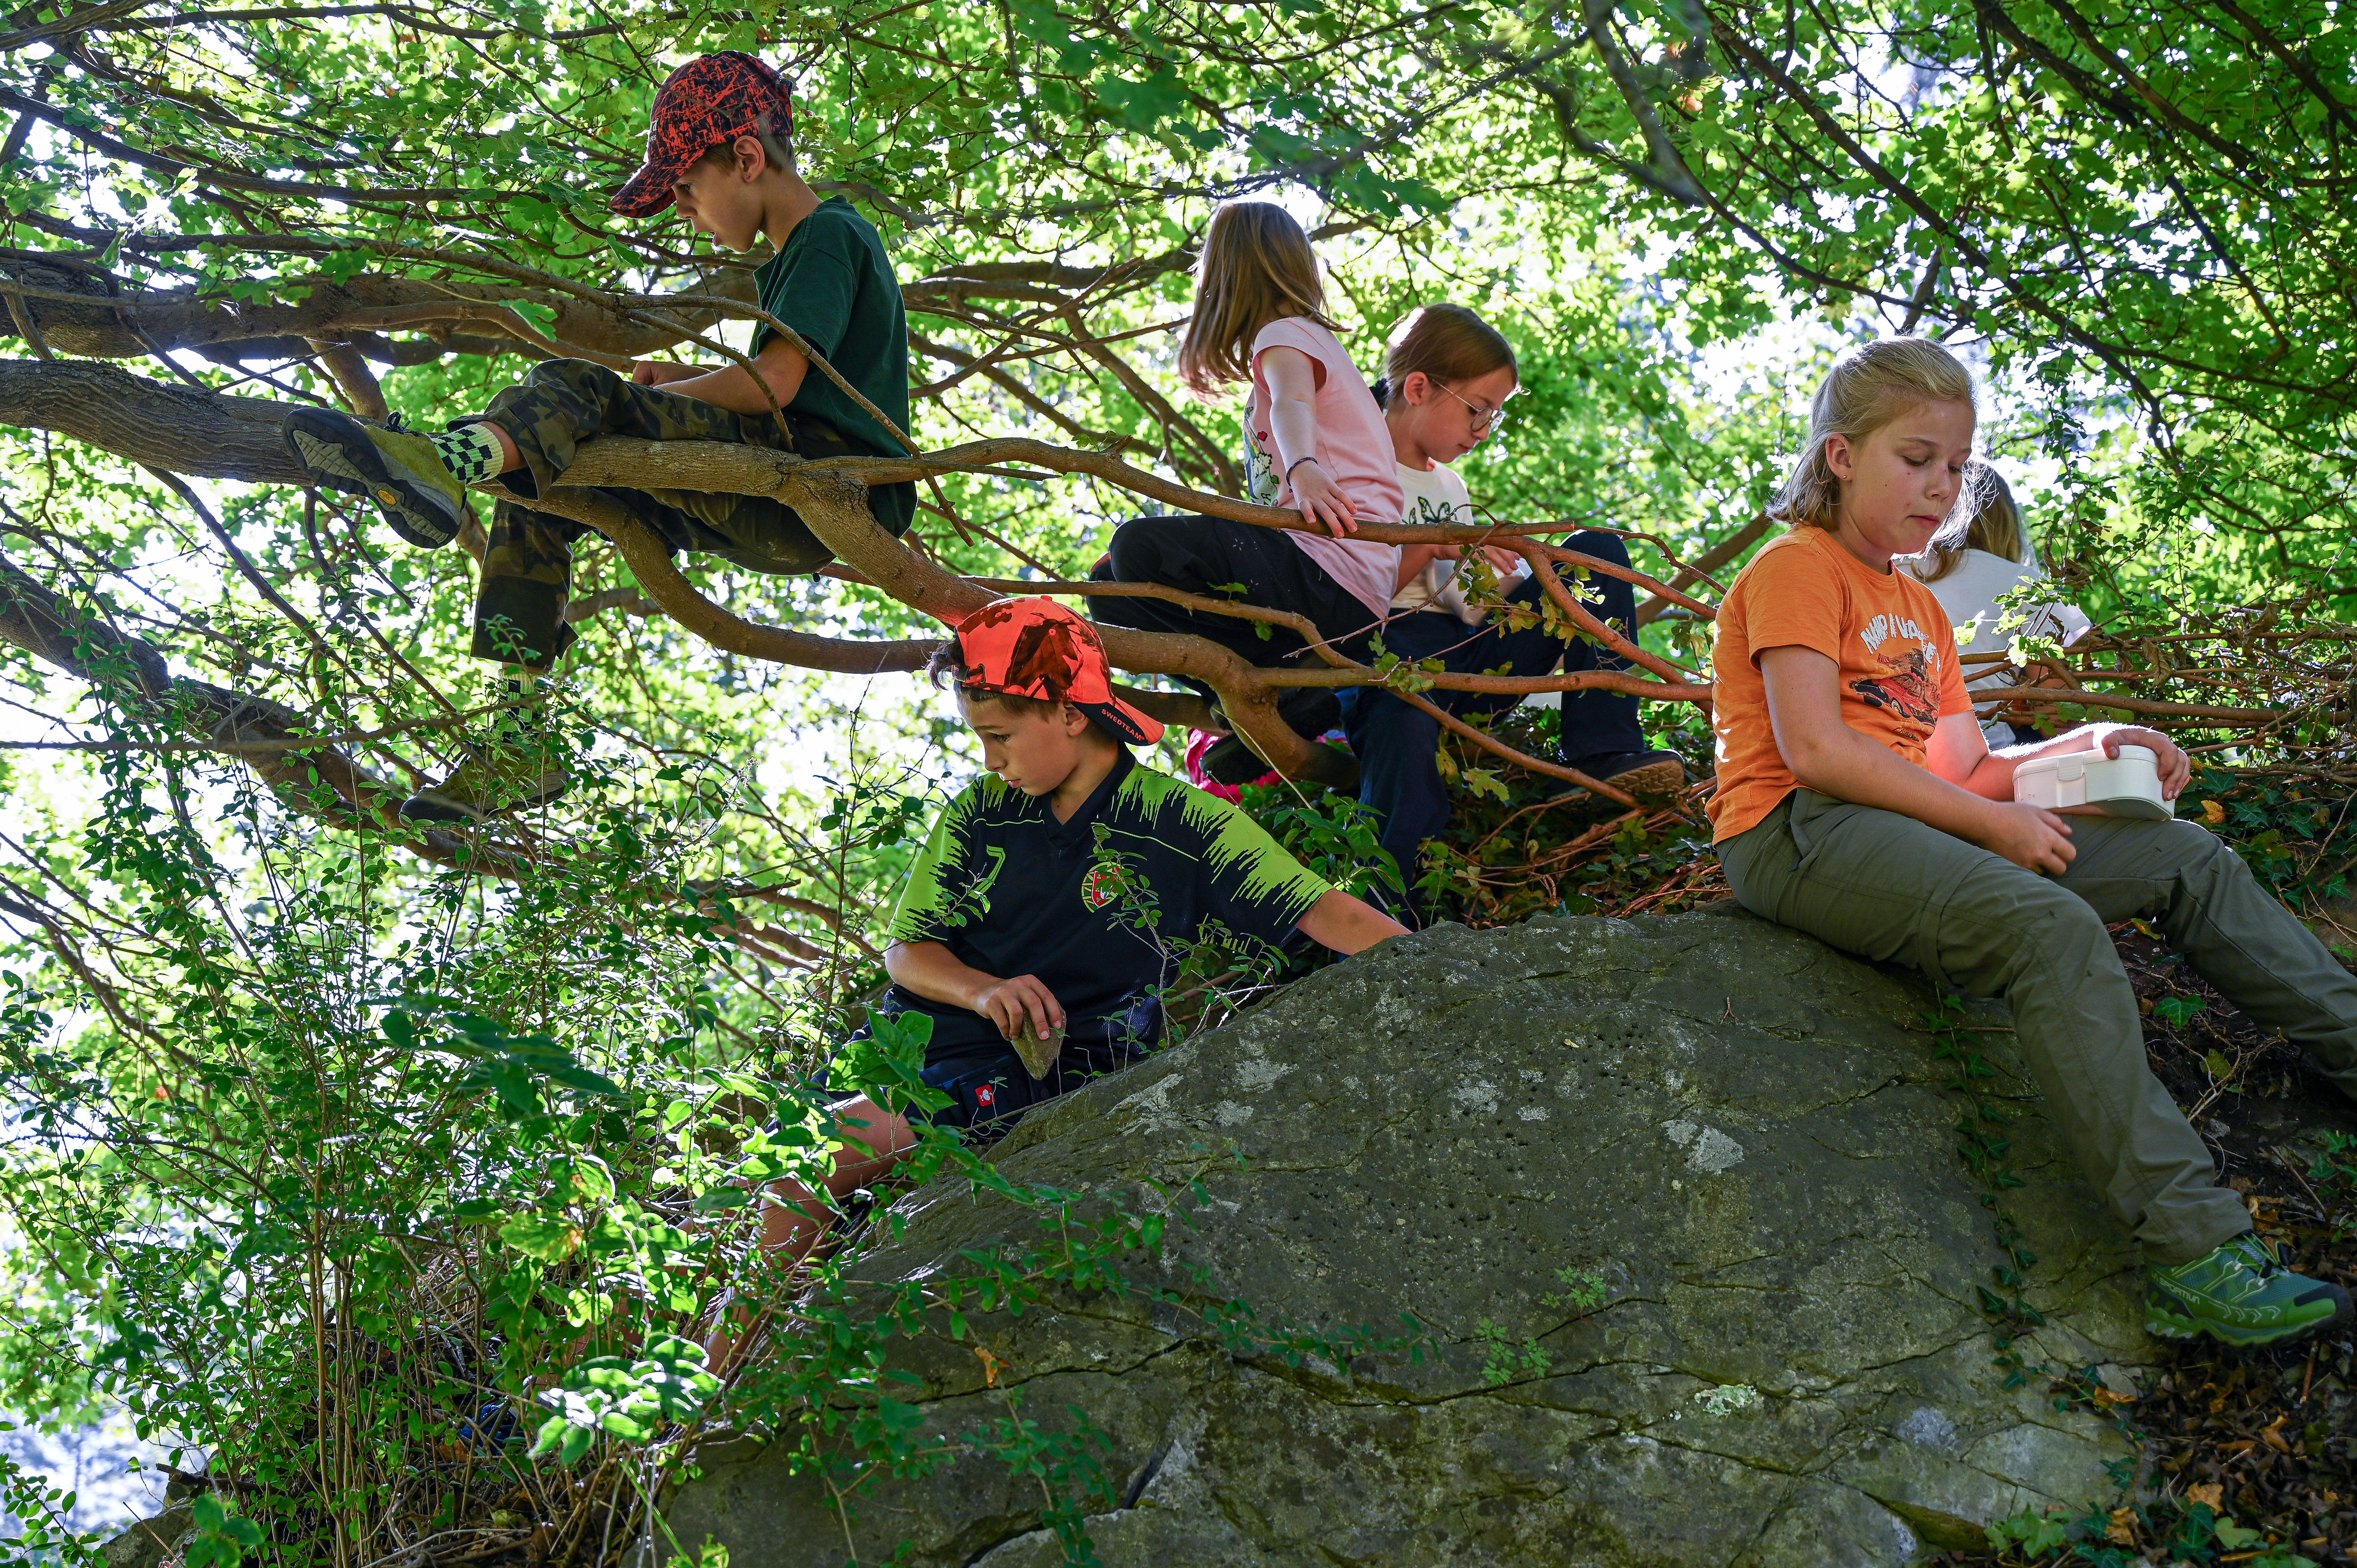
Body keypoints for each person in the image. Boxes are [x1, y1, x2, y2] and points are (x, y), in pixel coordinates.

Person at [1709, 336, 2355, 1351]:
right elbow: (1819, 751)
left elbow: (1968, 769)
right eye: (1916, 458)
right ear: (1841, 456)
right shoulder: (1798, 567)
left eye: (1957, 465)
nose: (1942, 486)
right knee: (2049, 927)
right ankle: (2196, 1257)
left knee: (2185, 856)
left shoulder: (1919, 608)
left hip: (1907, 822)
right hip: (1795, 831)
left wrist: (2096, 741)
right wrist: (1989, 826)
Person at [282, 53, 916, 822]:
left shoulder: (826, 235)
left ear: (747, 158)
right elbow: (787, 383)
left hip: (823, 484)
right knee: (541, 478)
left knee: (579, 388)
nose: (684, 212)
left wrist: (636, 399)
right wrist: (682, 379)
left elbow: (774, 386)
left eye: (686, 189)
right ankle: (519, 737)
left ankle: (442, 462)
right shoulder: (798, 257)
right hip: (781, 504)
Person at [755, 597, 1408, 1263]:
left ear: (1070, 712)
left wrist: (1445, 964)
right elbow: (907, 951)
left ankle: (747, 1330)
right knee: (768, 1178)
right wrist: (984, 990)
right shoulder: (979, 812)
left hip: (1036, 1069)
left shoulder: (1183, 823)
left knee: (806, 1165)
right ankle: (754, 1325)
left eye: (1000, 736)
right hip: (906, 1041)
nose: (989, 759)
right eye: (980, 739)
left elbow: (1321, 909)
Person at [1341, 304, 1685, 905]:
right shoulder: (1351, 463)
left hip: (1464, 651)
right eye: (1478, 409)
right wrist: (1434, 545)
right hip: (1384, 652)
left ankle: (1603, 752)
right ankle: (1391, 911)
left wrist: (1518, 578)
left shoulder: (1449, 486)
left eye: (1495, 416)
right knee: (1403, 723)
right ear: (1418, 388)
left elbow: (1461, 602)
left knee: (1594, 553)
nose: (1483, 430)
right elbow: (1347, 598)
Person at [1086, 201, 1405, 785]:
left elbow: (1293, 402)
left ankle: (1279, 686)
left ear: (1230, 272)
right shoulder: (1301, 342)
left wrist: (1304, 466)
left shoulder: (1285, 336)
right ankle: (1260, 699)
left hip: (1330, 574)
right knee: (1110, 592)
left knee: (1137, 548)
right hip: (1328, 589)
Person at [1901, 463, 2092, 747]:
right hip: (1980, 746)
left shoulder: (1894, 569)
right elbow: (2058, 715)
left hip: (1893, 738)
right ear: (2004, 522)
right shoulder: (2022, 582)